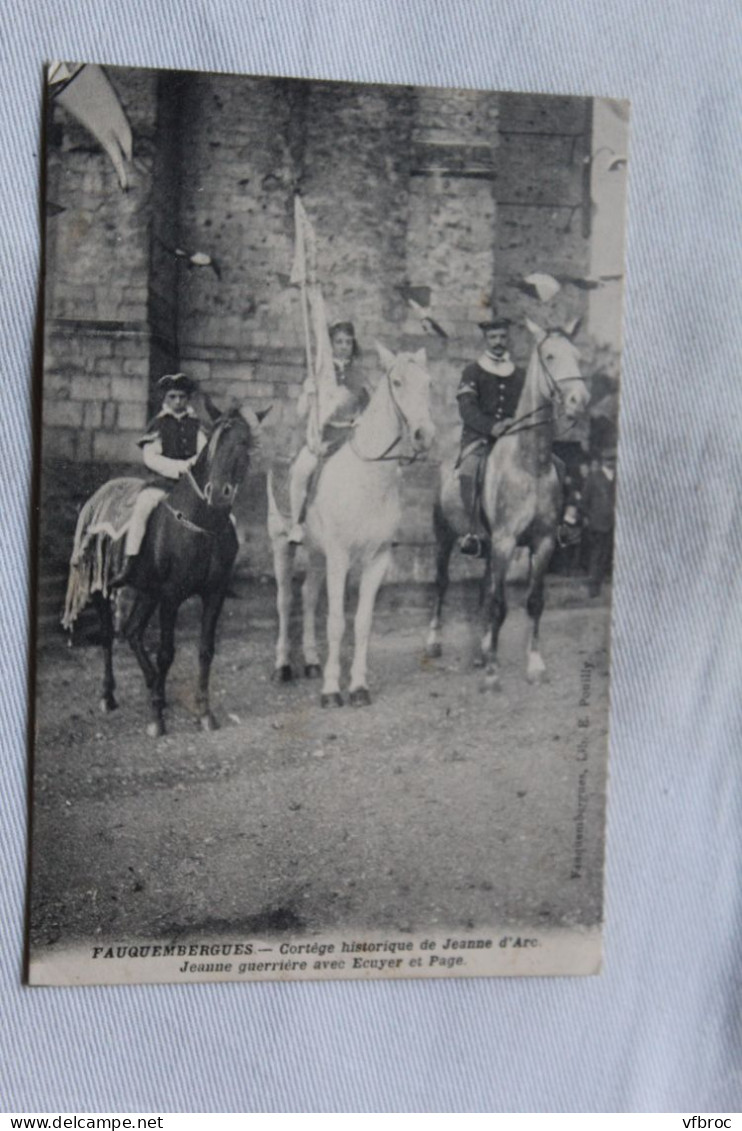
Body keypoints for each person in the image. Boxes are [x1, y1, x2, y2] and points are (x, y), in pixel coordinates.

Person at [111, 372, 211, 587]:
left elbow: (204, 453)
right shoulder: (159, 424)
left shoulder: (197, 425)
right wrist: (179, 468)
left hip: (192, 485)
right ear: (166, 398)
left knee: (220, 514)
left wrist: (193, 465)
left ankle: (215, 568)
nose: (178, 402)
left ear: (188, 399)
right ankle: (130, 563)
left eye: (182, 397)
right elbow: (151, 458)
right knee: (143, 507)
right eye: (173, 397)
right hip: (163, 482)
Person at [288, 320, 370, 544]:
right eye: (339, 342)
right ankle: (297, 523)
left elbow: (366, 408)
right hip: (322, 437)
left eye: (348, 342)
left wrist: (360, 420)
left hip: (349, 439)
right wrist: (308, 393)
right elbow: (301, 412)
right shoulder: (319, 374)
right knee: (301, 470)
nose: (344, 346)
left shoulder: (359, 376)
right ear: (331, 345)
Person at [456, 316, 526, 556]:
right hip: (480, 439)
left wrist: (515, 423)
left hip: (514, 438)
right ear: (485, 339)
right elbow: (467, 408)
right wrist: (491, 426)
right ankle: (474, 532)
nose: (498, 342)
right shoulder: (472, 371)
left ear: (508, 338)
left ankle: (552, 526)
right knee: (469, 470)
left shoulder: (520, 374)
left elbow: (526, 407)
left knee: (554, 465)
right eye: (493, 337)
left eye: (503, 337)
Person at [580, 446, 617, 597]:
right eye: (608, 460)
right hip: (598, 524)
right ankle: (593, 588)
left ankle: (603, 585)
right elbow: (584, 501)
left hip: (615, 523)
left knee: (607, 556)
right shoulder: (594, 477)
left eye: (613, 460)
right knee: (597, 556)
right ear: (603, 461)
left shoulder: (619, 477)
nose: (611, 463)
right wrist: (590, 517)